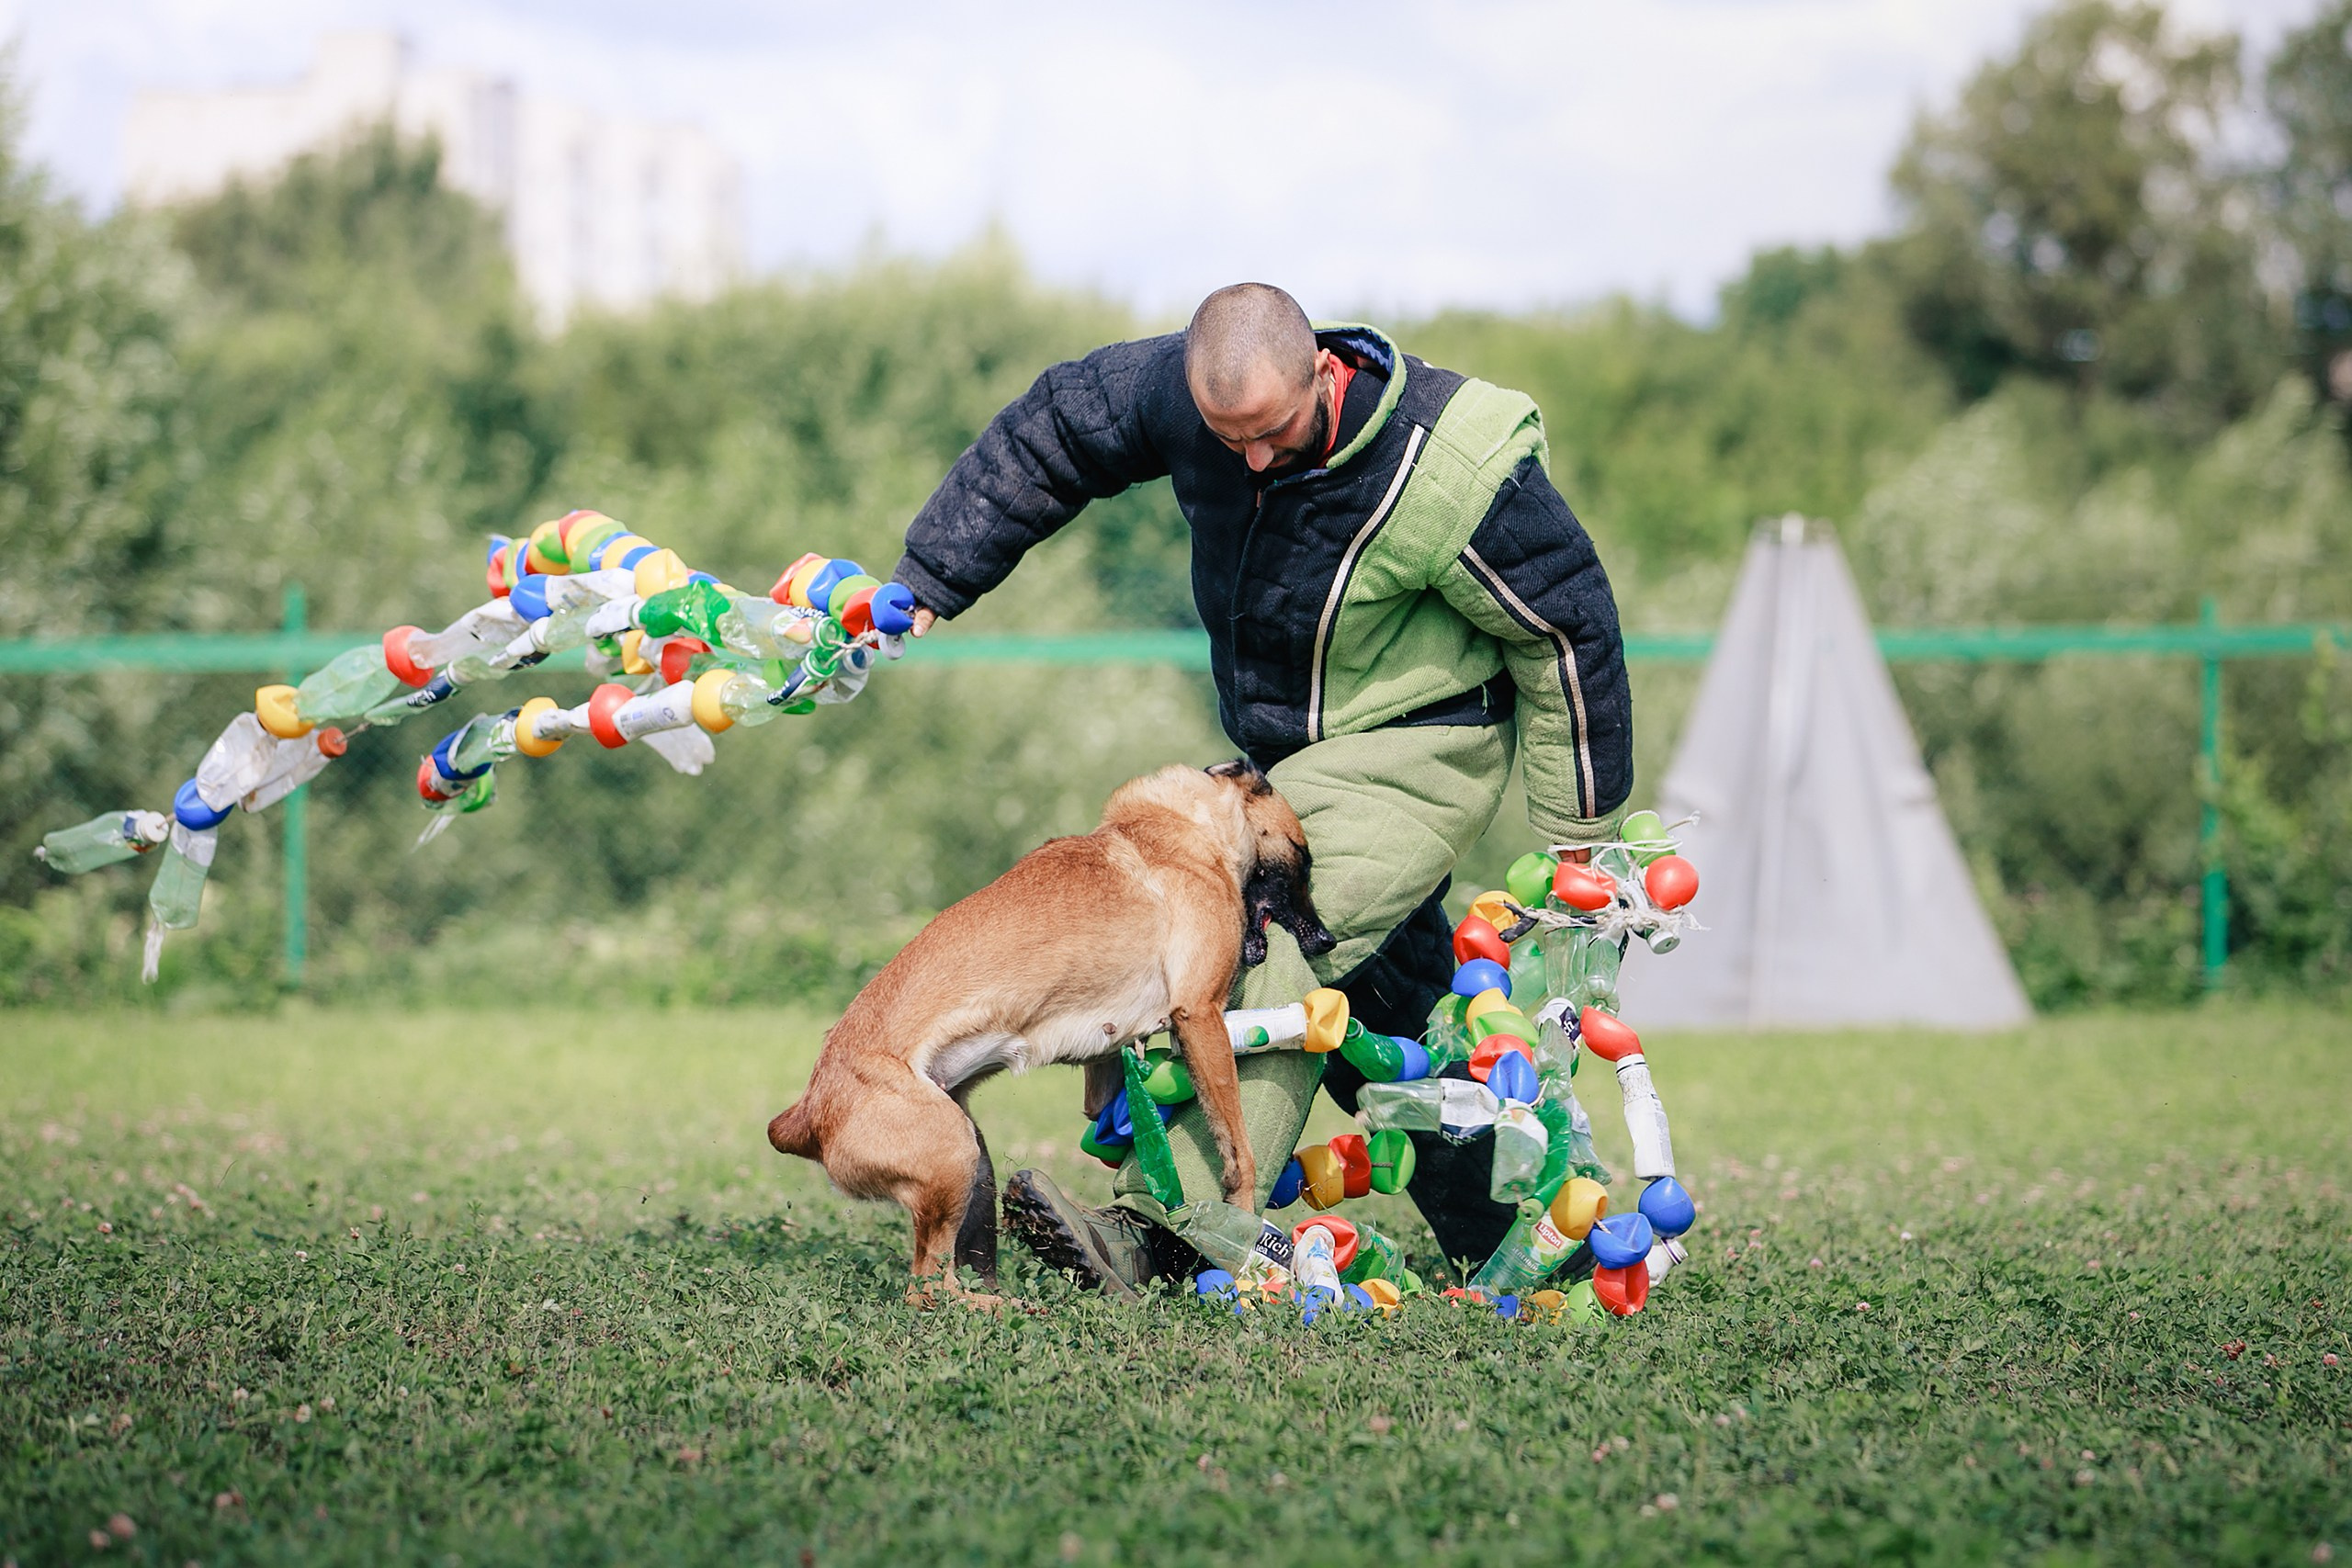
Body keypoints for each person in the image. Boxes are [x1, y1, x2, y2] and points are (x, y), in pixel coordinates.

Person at [891, 283, 1633, 1293]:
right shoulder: (1197, 401)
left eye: (1271, 433)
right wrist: (933, 574)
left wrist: (1579, 833)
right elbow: (1060, 426)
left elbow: (1567, 629)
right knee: (1395, 994)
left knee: (1270, 935)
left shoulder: (1448, 468)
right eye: (1224, 437)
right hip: (1283, 764)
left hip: (1418, 750)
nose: (1247, 459)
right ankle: (1523, 1233)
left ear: (1323, 371)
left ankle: (1167, 1231)